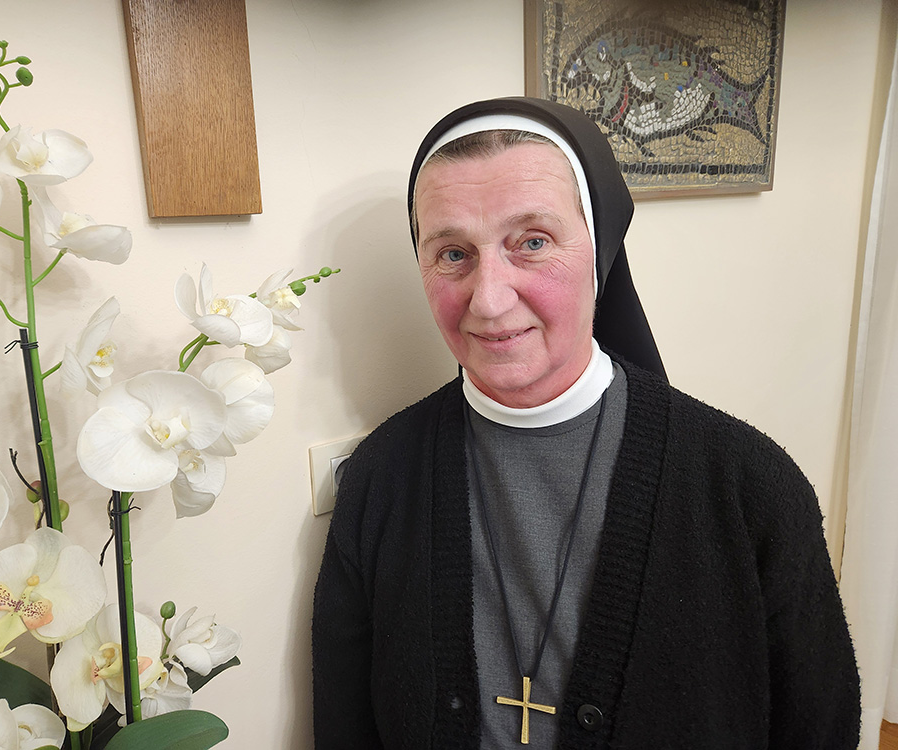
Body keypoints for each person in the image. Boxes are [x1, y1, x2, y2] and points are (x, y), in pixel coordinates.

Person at [311, 97, 860, 749]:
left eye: (533, 242)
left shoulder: (749, 489)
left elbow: (818, 728)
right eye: (453, 253)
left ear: (598, 251)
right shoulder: (381, 480)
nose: (488, 300)